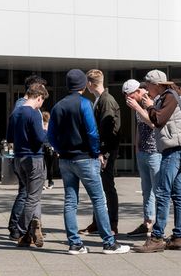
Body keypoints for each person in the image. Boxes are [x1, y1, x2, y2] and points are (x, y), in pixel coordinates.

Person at [47, 69, 128, 255]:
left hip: (66, 160)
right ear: (84, 85)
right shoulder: (85, 104)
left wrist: (60, 150)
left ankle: (74, 243)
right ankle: (109, 242)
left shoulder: (58, 106)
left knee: (70, 201)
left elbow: (50, 135)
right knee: (99, 200)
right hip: (85, 158)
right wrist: (96, 151)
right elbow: (92, 133)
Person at [130, 70, 181, 253]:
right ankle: (179, 237)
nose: (146, 89)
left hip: (173, 149)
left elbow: (158, 120)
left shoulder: (169, 96)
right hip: (179, 147)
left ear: (156, 84)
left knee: (163, 192)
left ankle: (157, 237)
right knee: (177, 193)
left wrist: (148, 106)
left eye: (147, 85)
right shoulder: (173, 96)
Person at [7, 84, 48, 247]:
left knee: (32, 194)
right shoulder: (34, 113)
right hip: (34, 158)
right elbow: (40, 139)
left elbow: (10, 137)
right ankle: (22, 230)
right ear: (38, 97)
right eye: (41, 101)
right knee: (33, 197)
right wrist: (46, 130)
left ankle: (34, 227)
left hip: (19, 158)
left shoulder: (16, 113)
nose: (41, 105)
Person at [81, 69, 121, 235]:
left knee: (107, 187)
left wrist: (102, 152)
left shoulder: (106, 101)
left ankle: (111, 224)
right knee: (100, 188)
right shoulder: (101, 99)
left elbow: (107, 129)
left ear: (90, 84)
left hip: (106, 151)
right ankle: (98, 222)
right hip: (103, 150)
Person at [121, 79, 158, 237]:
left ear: (138, 91)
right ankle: (147, 223)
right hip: (142, 152)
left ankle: (159, 226)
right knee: (146, 190)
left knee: (158, 190)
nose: (128, 100)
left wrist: (138, 107)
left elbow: (153, 123)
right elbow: (139, 126)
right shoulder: (136, 105)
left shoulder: (151, 102)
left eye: (130, 96)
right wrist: (136, 146)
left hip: (155, 152)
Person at [41, 110, 57, 189]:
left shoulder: (40, 126)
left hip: (41, 148)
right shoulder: (51, 126)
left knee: (42, 166)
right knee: (50, 166)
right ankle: (50, 182)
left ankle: (43, 183)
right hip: (50, 148)